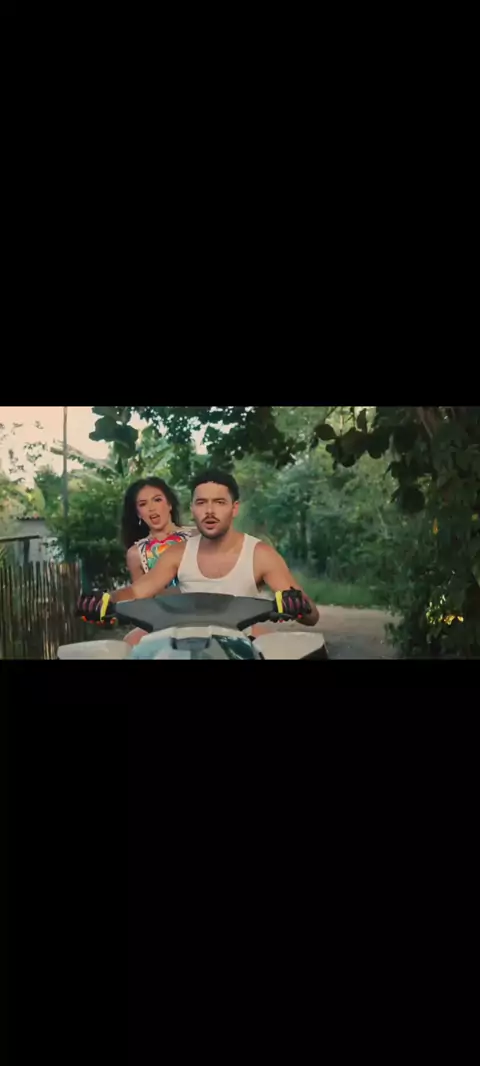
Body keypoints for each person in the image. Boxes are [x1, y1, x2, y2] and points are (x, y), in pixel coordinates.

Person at [80, 468, 319, 628]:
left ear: (234, 508)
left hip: (242, 646)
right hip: (184, 646)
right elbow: (137, 592)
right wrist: (105, 600)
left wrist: (298, 605)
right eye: (202, 503)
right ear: (192, 509)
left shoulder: (260, 554)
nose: (210, 511)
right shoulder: (177, 553)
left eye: (219, 502)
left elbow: (312, 617)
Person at [120, 477, 195, 646]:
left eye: (157, 500)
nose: (152, 508)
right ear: (138, 513)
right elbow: (141, 602)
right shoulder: (135, 553)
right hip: (162, 621)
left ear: (169, 504)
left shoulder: (197, 537)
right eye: (143, 504)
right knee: (130, 642)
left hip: (204, 613)